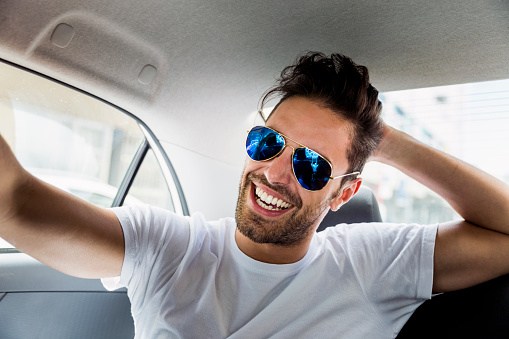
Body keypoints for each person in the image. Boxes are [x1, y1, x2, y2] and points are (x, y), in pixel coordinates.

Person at [1, 52, 509, 338]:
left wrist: (386, 143)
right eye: (268, 143)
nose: (275, 173)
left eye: (312, 164)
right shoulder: (168, 248)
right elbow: (16, 203)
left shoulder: (371, 262)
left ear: (344, 192)